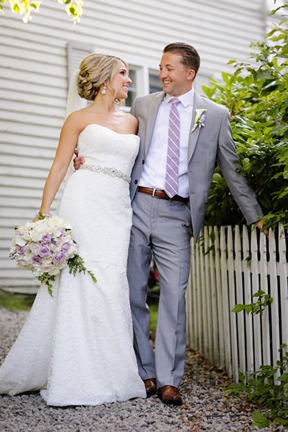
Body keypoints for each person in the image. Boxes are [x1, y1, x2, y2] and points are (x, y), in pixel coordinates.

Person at [74, 42, 268, 406]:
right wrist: (84, 158)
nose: (162, 73)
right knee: (131, 292)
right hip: (133, 206)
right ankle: (144, 373)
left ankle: (169, 380)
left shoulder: (215, 115)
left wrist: (255, 216)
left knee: (174, 298)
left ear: (189, 73)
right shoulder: (144, 106)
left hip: (177, 214)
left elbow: (232, 170)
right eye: (161, 67)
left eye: (169, 68)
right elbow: (115, 139)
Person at [0, 53, 146, 406]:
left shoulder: (134, 123)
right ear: (105, 79)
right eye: (124, 74)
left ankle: (112, 370)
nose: (128, 80)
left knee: (111, 282)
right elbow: (61, 165)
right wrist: (44, 214)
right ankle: (74, 369)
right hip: (83, 203)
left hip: (117, 210)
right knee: (81, 281)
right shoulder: (78, 119)